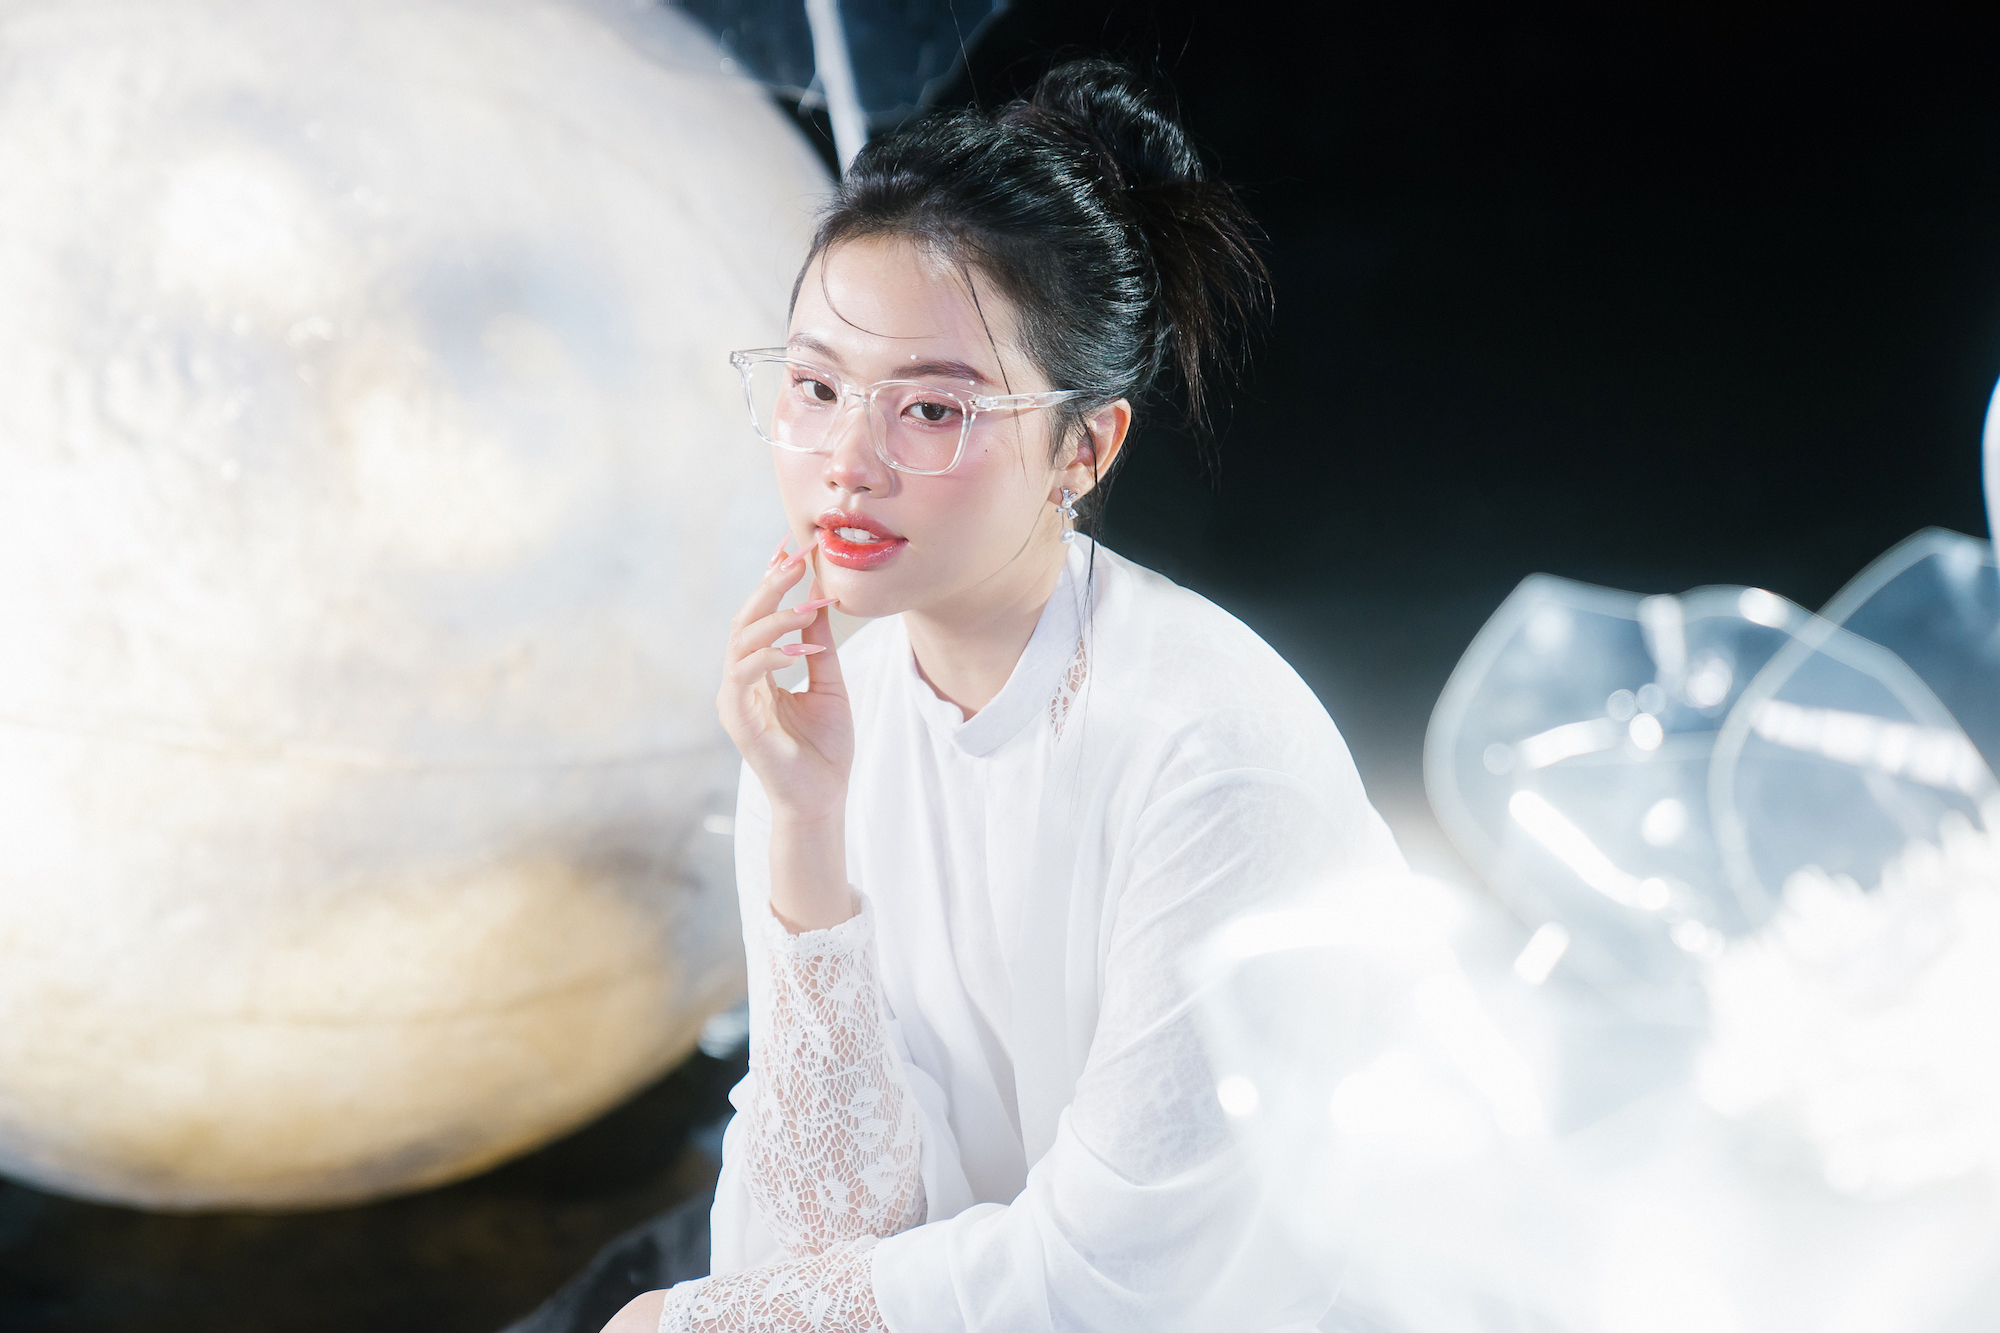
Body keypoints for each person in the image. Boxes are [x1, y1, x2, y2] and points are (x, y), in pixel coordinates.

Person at [602, 59, 1402, 1333]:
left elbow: (1115, 1284)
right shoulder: (831, 716)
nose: (845, 463)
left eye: (930, 408)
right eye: (814, 386)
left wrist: (690, 1323)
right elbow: (806, 1235)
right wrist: (804, 828)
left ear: (1083, 447)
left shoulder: (1211, 759)